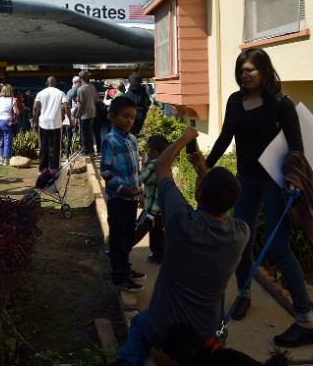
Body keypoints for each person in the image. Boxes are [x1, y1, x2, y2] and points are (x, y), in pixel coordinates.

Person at [204, 48, 313, 348]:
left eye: (250, 70)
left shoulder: (281, 105)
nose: (244, 74)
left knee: (279, 249)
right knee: (242, 241)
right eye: (241, 69)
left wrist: (294, 181)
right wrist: (206, 167)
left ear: (264, 71)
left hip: (274, 184)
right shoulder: (234, 101)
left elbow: (297, 150)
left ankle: (307, 320)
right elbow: (225, 137)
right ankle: (243, 294)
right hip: (245, 182)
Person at [114, 127, 250, 365]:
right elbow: (214, 204)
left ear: (198, 195)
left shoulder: (180, 221)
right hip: (205, 335)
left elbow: (161, 166)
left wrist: (186, 137)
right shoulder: (240, 233)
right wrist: (203, 171)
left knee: (139, 324)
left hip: (165, 332)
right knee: (222, 335)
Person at [100, 96, 144, 293]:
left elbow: (136, 169)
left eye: (132, 117)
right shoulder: (110, 141)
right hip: (118, 198)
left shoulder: (132, 139)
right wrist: (122, 189)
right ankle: (119, 277)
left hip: (132, 198)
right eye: (125, 116)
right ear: (112, 116)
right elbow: (105, 172)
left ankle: (125, 268)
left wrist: (139, 192)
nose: (129, 121)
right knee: (118, 237)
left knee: (128, 235)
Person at [132, 134, 168, 264]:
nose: (146, 152)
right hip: (160, 209)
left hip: (151, 209)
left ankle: (120, 250)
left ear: (154, 152)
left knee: (137, 229)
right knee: (157, 232)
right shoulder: (164, 163)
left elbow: (142, 179)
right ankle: (159, 255)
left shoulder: (153, 165)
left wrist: (143, 165)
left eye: (147, 149)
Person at [33, 76, 72, 172]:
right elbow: (66, 107)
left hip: (43, 123)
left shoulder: (40, 93)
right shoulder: (60, 93)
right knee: (56, 148)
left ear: (46, 84)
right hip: (56, 123)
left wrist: (35, 122)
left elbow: (35, 108)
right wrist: (71, 120)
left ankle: (42, 169)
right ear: (55, 84)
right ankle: (55, 169)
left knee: (43, 146)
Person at [0, 84, 21, 166]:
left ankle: (1, 159)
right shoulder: (12, 100)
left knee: (1, 140)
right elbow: (16, 112)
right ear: (10, 91)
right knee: (8, 139)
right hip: (7, 121)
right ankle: (6, 159)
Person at [74, 71, 98, 156]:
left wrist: (76, 116)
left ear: (80, 78)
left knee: (84, 133)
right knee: (89, 131)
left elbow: (81, 104)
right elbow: (95, 100)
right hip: (92, 112)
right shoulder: (92, 87)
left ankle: (86, 151)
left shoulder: (81, 89)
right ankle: (91, 150)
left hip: (85, 114)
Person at [125, 66, 151, 136]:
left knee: (133, 133)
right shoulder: (143, 93)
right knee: (142, 133)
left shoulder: (128, 94)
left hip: (131, 116)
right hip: (141, 115)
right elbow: (148, 103)